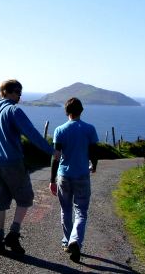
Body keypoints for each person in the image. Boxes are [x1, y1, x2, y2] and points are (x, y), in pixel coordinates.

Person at [0, 79, 58, 255]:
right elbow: (31, 133)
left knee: (0, 203)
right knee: (25, 198)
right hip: (13, 162)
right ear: (11, 92)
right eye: (19, 92)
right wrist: (51, 151)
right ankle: (13, 233)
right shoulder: (14, 110)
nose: (20, 96)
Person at [49, 97, 99, 263]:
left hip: (63, 175)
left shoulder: (59, 130)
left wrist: (52, 180)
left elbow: (55, 158)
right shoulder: (90, 129)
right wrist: (94, 166)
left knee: (66, 210)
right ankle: (75, 240)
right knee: (81, 212)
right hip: (82, 175)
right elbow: (94, 153)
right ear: (81, 111)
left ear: (66, 111)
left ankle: (66, 241)